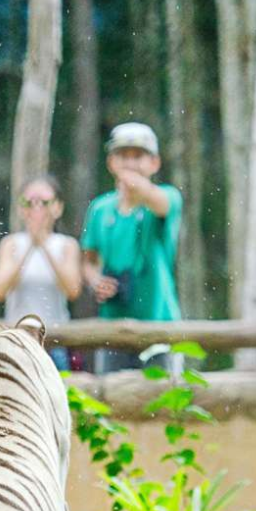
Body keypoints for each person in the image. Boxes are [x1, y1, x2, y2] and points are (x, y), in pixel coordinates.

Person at [81, 122, 183, 373]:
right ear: (111, 162)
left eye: (138, 156)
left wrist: (137, 187)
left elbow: (160, 204)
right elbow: (89, 259)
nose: (130, 163)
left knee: (162, 403)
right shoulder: (99, 208)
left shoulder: (168, 196)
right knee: (111, 402)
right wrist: (96, 281)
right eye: (123, 156)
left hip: (159, 322)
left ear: (154, 163)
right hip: (112, 326)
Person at [0, 174, 82, 371]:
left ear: (58, 208)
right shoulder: (11, 244)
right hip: (16, 339)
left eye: (44, 202)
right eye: (29, 202)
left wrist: (44, 245)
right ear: (21, 208)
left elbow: (73, 290)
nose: (36, 208)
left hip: (55, 340)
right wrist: (30, 246)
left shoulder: (67, 245)